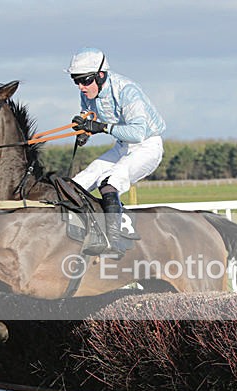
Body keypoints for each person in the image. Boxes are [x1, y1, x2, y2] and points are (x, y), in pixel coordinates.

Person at [64, 47, 166, 258]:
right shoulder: (88, 92)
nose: (82, 87)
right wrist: (85, 130)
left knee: (109, 182)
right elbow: (89, 115)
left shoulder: (127, 90)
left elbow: (138, 133)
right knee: (76, 185)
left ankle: (115, 243)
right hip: (122, 147)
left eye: (85, 80)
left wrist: (101, 127)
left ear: (101, 75)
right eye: (76, 81)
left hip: (147, 146)